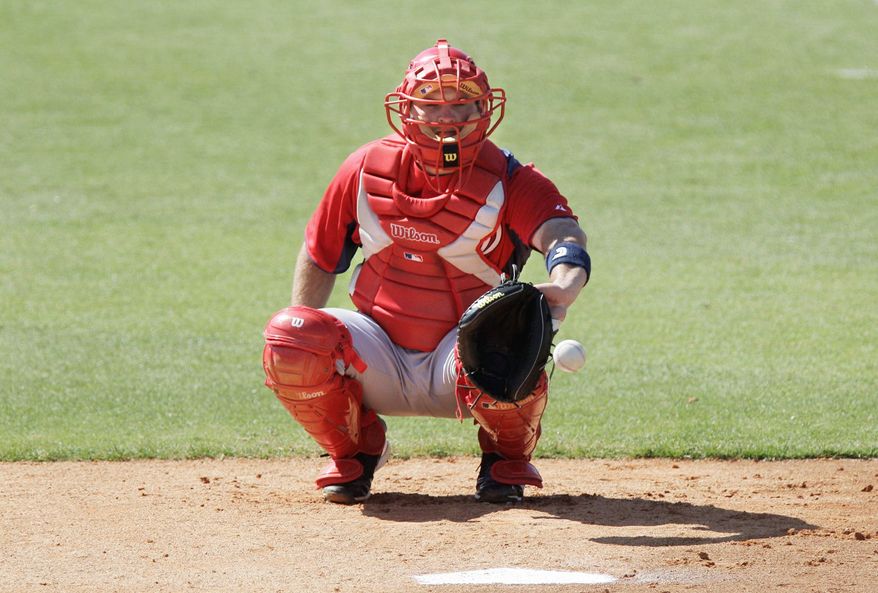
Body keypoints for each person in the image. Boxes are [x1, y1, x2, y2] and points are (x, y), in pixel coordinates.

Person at [262, 39, 590, 505]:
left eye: (460, 106)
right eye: (432, 106)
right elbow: (319, 254)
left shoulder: (509, 179)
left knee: (514, 334)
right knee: (290, 333)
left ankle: (505, 459)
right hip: (376, 352)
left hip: (466, 358)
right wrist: (304, 350)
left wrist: (565, 283)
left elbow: (562, 233)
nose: (446, 120)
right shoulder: (363, 171)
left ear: (484, 109)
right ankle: (357, 450)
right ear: (407, 110)